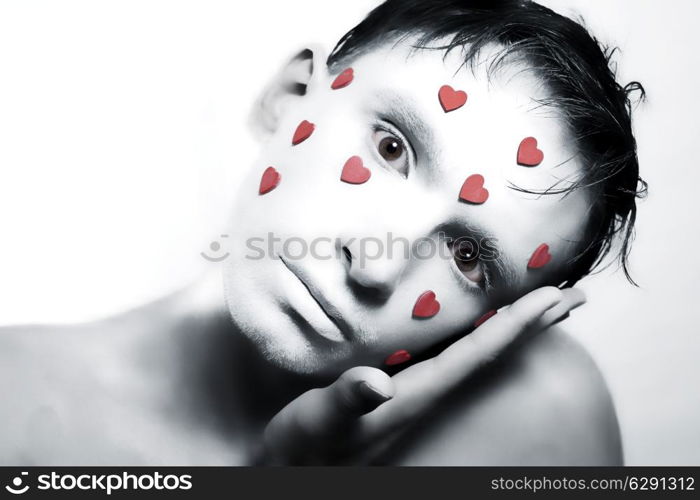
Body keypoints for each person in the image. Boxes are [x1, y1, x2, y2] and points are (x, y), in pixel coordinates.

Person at [0, 0, 645, 465]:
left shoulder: (536, 426)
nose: (376, 264)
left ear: (495, 321)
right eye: (392, 147)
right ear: (289, 97)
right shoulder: (17, 405)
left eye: (468, 257)